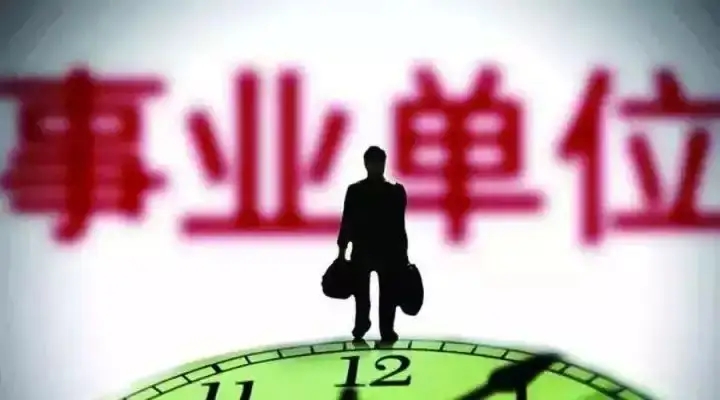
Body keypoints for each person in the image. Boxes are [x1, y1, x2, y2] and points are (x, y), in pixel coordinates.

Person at [336, 146, 409, 343]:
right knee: (367, 292)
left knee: (383, 293)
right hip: (375, 250)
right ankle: (374, 326)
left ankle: (373, 326)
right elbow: (347, 222)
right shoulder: (391, 191)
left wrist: (342, 252)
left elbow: (398, 226)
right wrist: (342, 251)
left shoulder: (365, 191)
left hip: (379, 251)